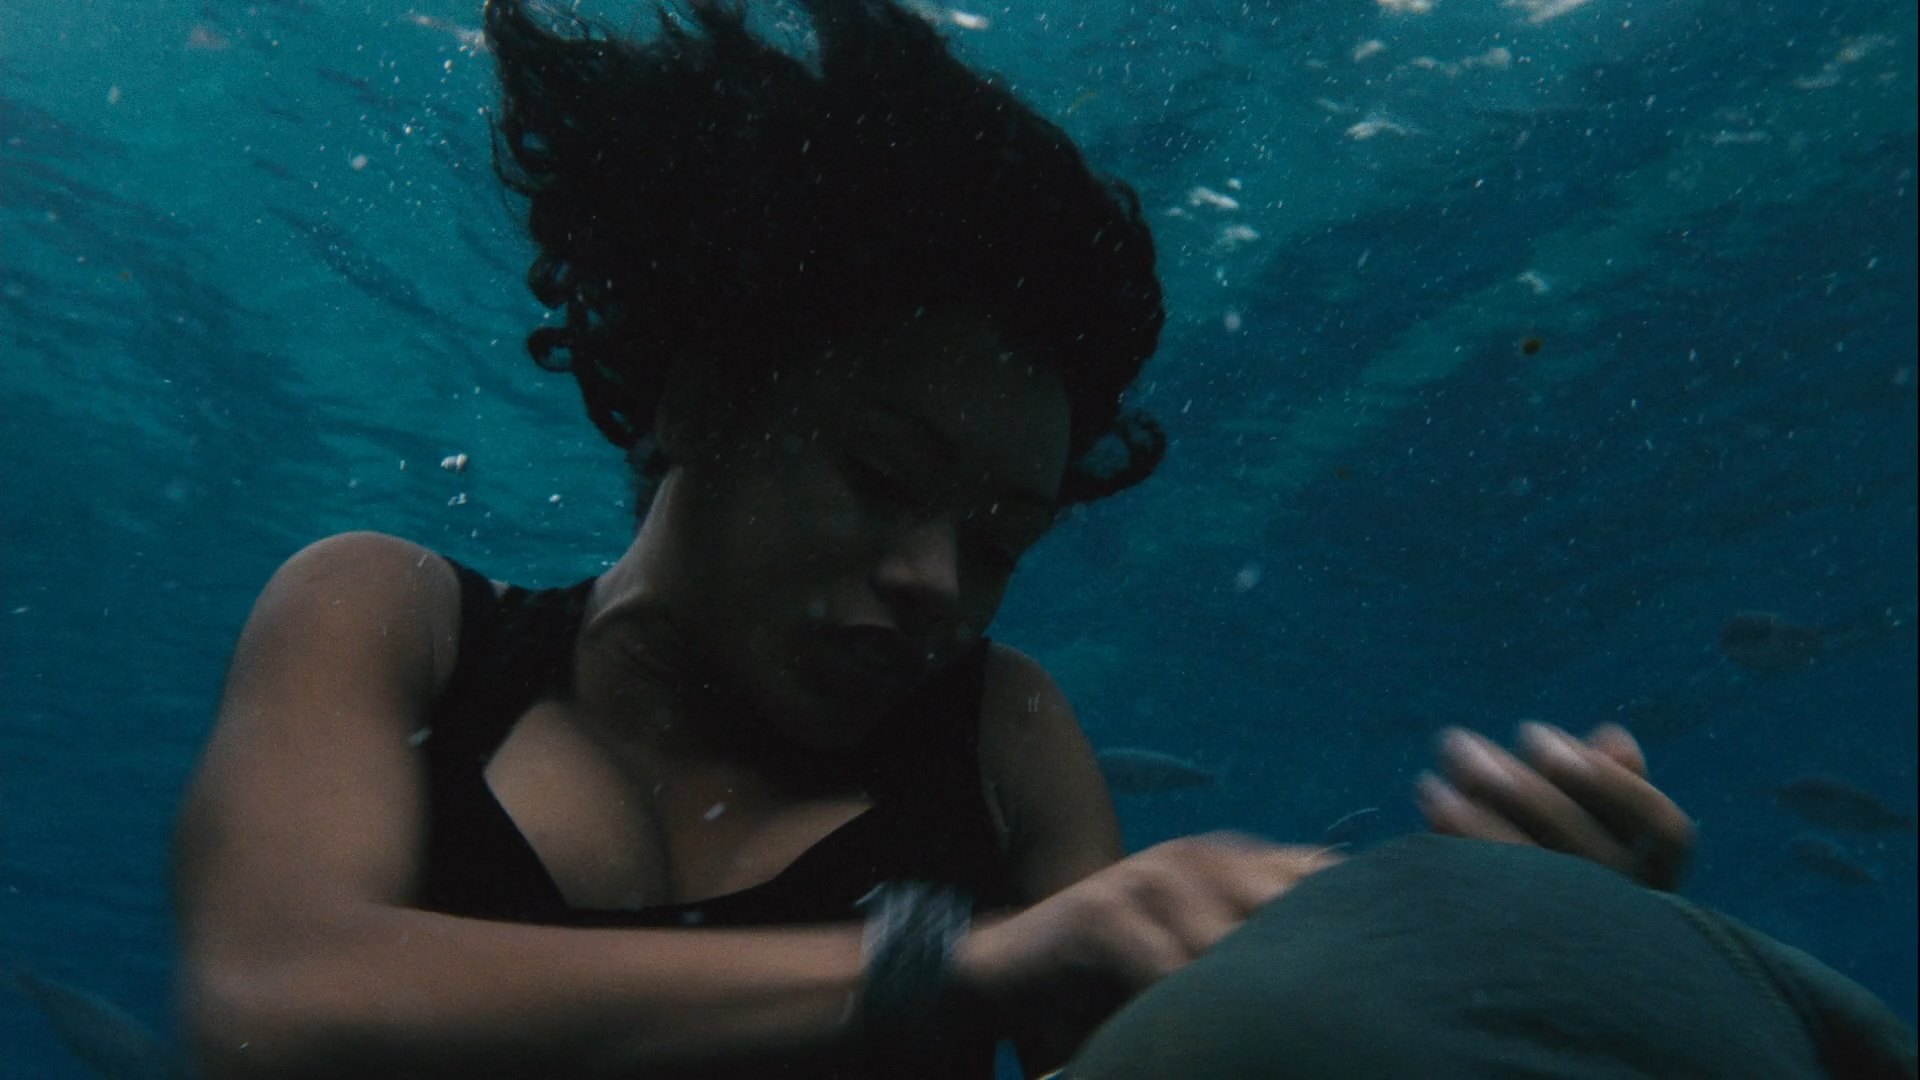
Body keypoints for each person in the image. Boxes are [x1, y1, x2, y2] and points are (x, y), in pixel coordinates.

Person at [171, 1, 1745, 1077]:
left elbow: (1148, 1062)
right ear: (704, 396)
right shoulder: (386, 614)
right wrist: (963, 960)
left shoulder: (1001, 735)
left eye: (1001, 541)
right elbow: (273, 996)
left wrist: (1504, 952)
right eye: (879, 476)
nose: (937, 581)